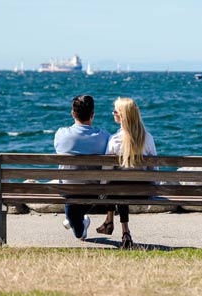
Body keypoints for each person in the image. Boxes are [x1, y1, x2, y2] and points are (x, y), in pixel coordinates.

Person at [96, 97, 157, 249]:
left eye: (115, 111)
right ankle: (115, 226)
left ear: (122, 116)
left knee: (115, 185)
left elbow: (106, 172)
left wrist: (102, 189)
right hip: (143, 191)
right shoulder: (148, 138)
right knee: (119, 186)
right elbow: (154, 170)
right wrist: (153, 188)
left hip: (118, 192)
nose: (113, 113)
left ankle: (120, 228)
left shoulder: (114, 140)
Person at [54, 94, 110, 240]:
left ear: (73, 113)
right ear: (93, 114)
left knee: (78, 230)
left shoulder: (61, 134)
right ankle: (74, 220)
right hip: (95, 192)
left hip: (68, 191)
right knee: (77, 227)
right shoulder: (104, 136)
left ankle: (73, 220)